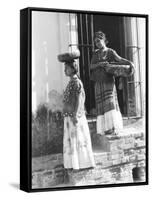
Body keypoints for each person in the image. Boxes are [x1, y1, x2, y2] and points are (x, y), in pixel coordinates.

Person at [90, 31, 135, 135]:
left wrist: (129, 63)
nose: (97, 43)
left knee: (110, 102)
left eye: (99, 41)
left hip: (108, 82)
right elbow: (91, 66)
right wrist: (99, 64)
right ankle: (104, 129)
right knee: (101, 104)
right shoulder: (95, 53)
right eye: (95, 42)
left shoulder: (110, 52)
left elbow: (119, 59)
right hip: (98, 82)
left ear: (104, 40)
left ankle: (113, 127)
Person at [58, 51, 95, 170]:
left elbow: (80, 99)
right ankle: (73, 163)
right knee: (71, 139)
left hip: (74, 116)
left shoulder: (77, 82)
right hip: (69, 116)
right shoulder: (71, 82)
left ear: (73, 69)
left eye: (66, 68)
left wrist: (75, 115)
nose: (65, 71)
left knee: (78, 139)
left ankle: (82, 163)